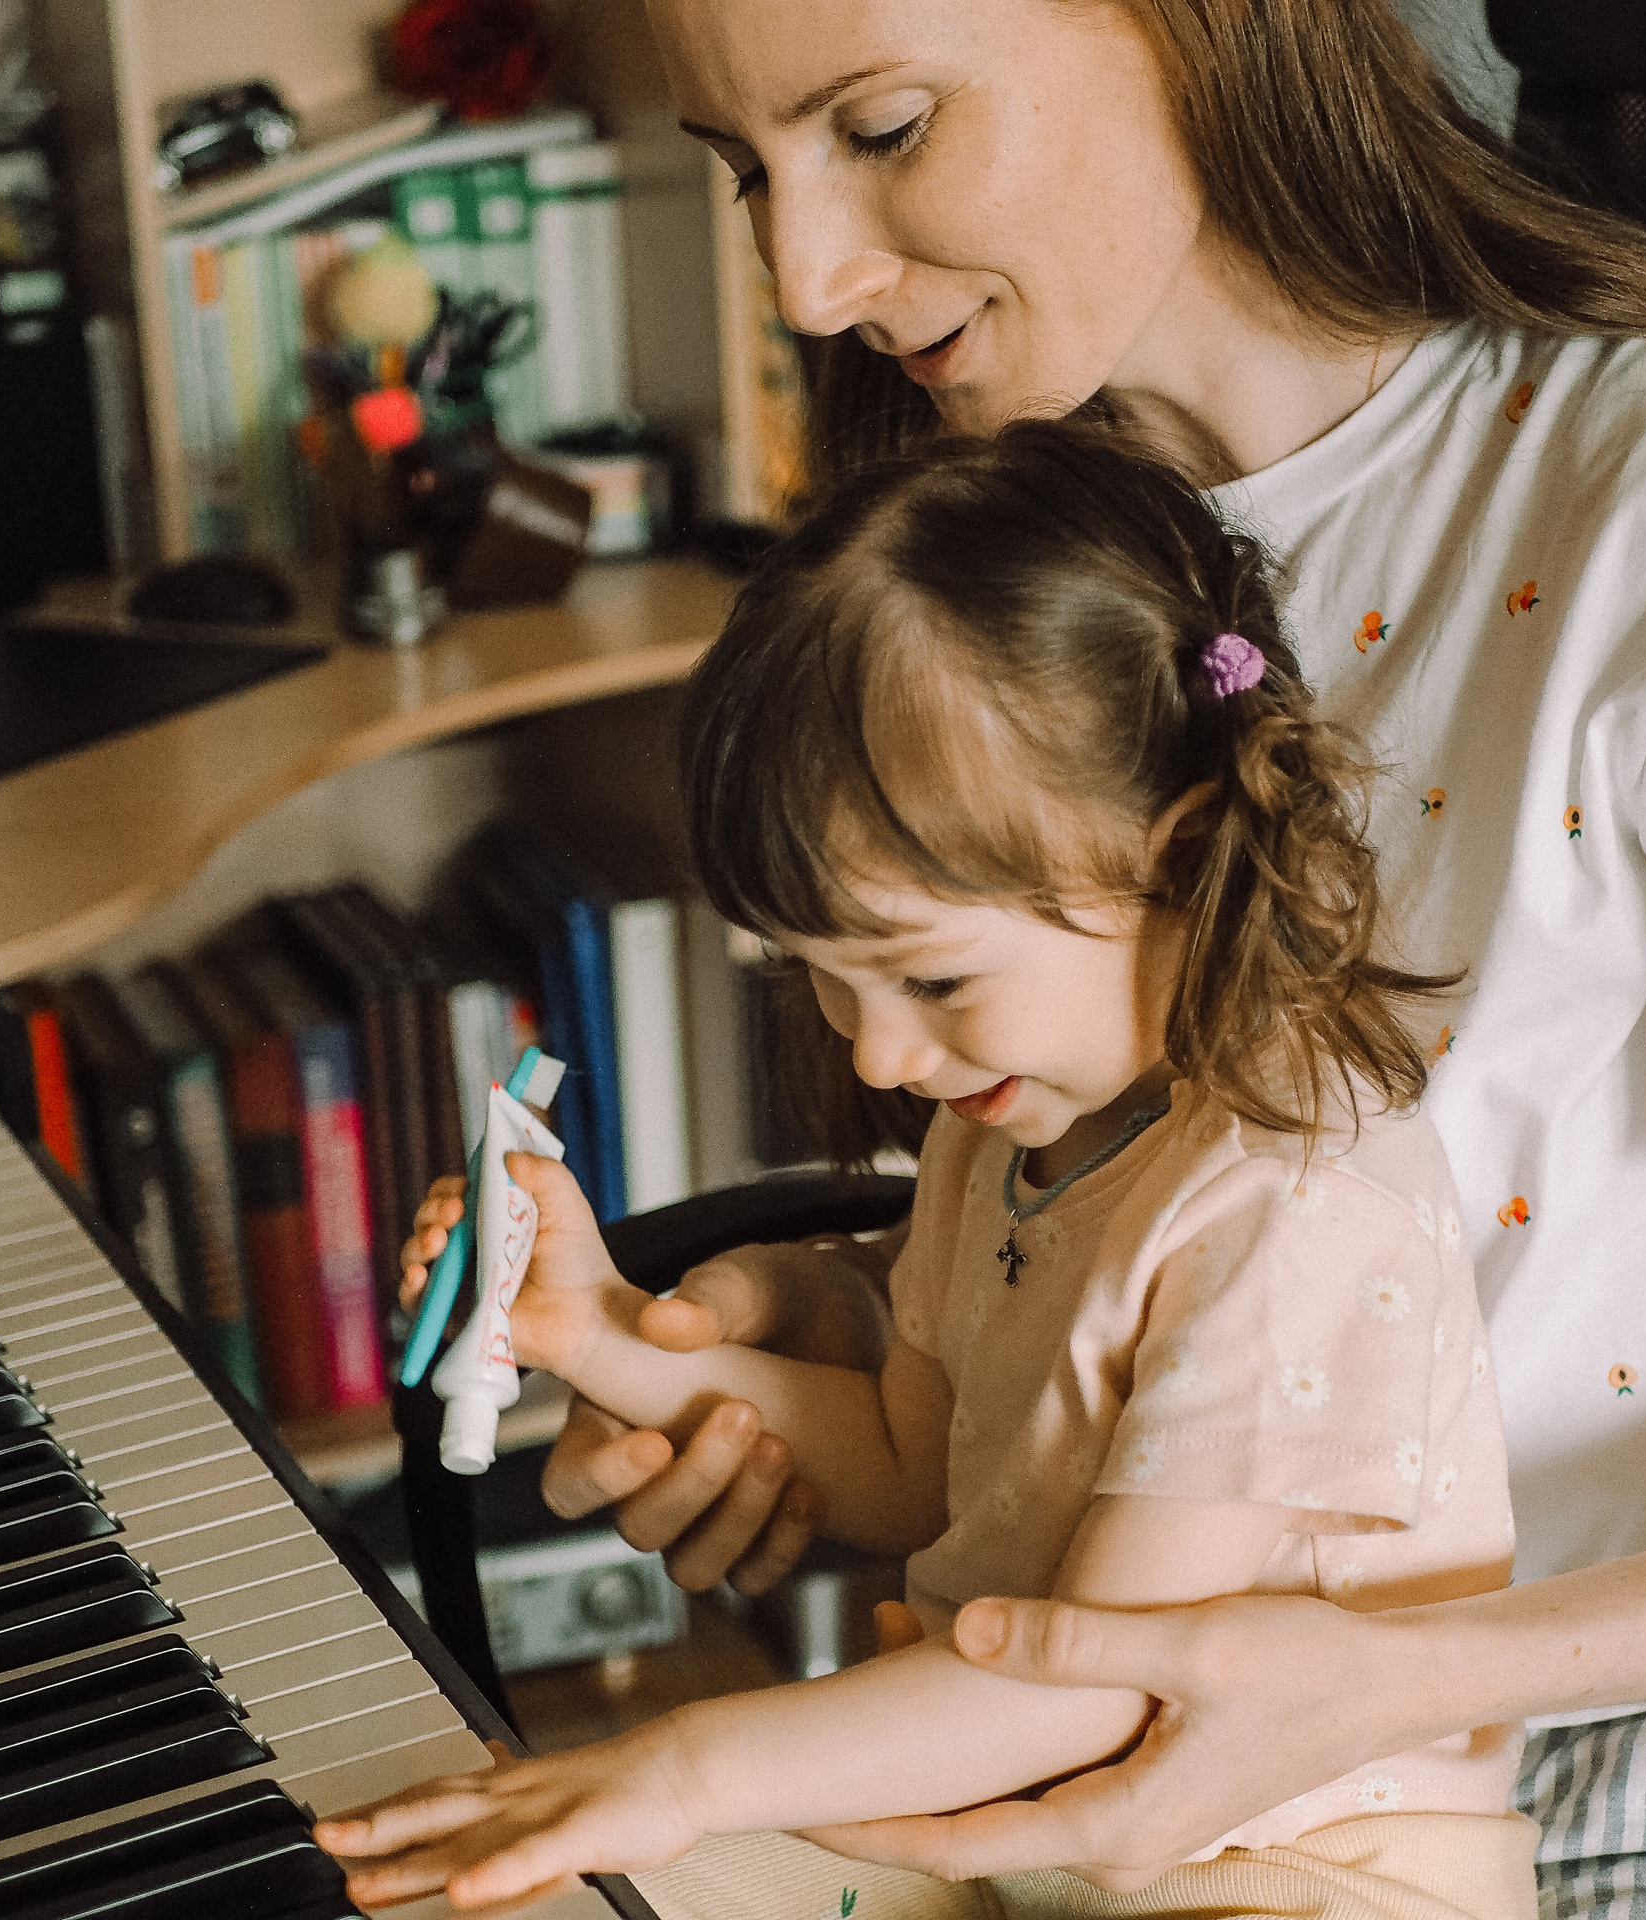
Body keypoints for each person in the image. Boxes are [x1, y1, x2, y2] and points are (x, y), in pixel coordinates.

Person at [524, 1, 1646, 1914]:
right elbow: (1252, 1239)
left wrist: (1388, 1684)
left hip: (1637, 1717)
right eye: (742, 169)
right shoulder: (990, 568)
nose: (807, 282)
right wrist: (881, 1315)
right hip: (1151, 1701)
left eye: (882, 127)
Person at [326, 420, 1534, 1919]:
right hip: (1016, 1820)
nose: (884, 1058)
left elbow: (1097, 1687)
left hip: (1298, 1867)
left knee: (648, 1813)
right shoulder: (1003, 1125)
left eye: (933, 983)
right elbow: (911, 1465)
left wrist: (686, 1763)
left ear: (1183, 852)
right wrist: (596, 1334)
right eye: (829, 981)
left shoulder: (1296, 1203)